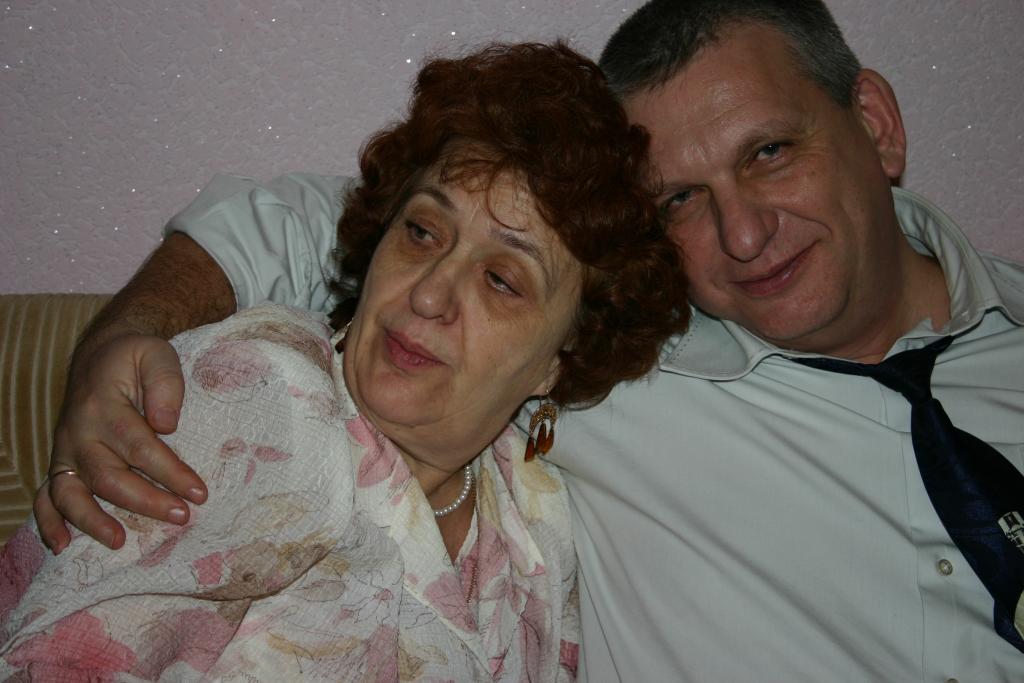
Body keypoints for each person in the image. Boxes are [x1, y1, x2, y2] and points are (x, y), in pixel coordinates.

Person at [26, 0, 1024, 680]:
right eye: (681, 198)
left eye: (769, 152)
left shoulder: (538, 509)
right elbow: (343, 223)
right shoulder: (271, 403)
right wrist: (131, 335)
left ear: (874, 123)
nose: (744, 234)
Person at [0, 42, 688, 680]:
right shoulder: (257, 398)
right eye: (422, 231)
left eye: (501, 280)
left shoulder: (535, 523)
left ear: (556, 364)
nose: (428, 294)